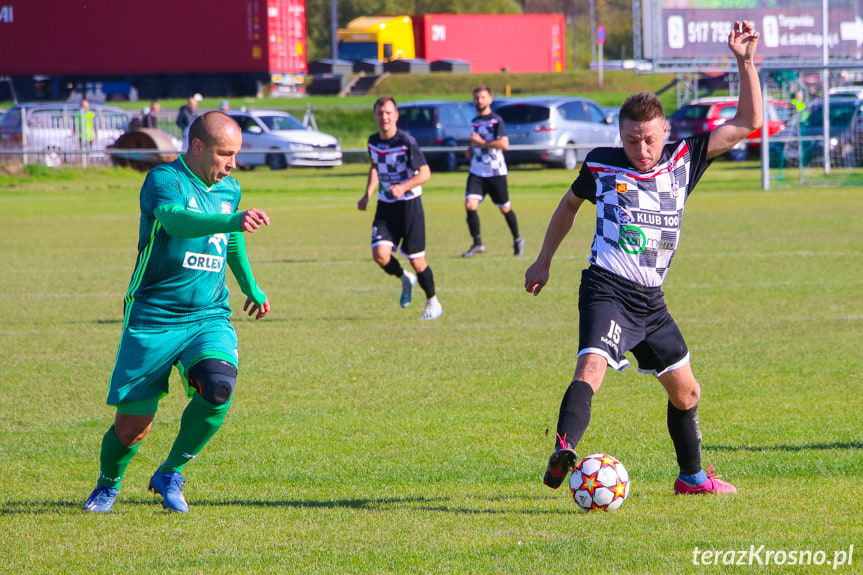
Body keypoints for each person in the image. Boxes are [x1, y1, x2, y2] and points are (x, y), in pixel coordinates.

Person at [524, 21, 762, 496]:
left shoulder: (684, 159)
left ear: (666, 131)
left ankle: (691, 479)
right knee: (591, 368)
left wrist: (744, 60)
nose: (642, 149)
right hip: (607, 288)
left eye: (650, 139)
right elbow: (569, 206)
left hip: (651, 303)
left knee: (687, 392)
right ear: (620, 135)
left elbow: (748, 122)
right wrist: (543, 260)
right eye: (633, 140)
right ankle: (563, 451)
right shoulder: (601, 164)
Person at [84, 111, 272, 513]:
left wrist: (251, 287)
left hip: (209, 315)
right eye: (225, 154)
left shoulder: (230, 189)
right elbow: (175, 222)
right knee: (133, 427)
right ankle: (108, 484)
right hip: (153, 315)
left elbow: (232, 240)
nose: (232, 164)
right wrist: (232, 218)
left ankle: (171, 472)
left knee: (219, 387)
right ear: (198, 147)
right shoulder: (163, 180)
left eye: (235, 155)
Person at [358, 97, 442, 321]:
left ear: (395, 115)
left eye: (388, 113)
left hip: (410, 207)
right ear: (375, 116)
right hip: (385, 206)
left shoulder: (406, 141)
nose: (384, 117)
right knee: (380, 254)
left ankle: (433, 302)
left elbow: (425, 173)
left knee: (417, 260)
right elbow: (375, 167)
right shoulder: (373, 141)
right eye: (379, 113)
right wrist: (367, 194)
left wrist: (403, 187)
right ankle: (405, 278)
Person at [462, 85, 524, 258]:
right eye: (477, 98)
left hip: (495, 172)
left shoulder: (496, 121)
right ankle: (477, 243)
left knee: (505, 208)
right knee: (470, 204)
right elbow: (476, 142)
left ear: (489, 99)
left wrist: (481, 143)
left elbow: (504, 144)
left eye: (483, 97)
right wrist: (470, 150)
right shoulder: (474, 121)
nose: (479, 101)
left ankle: (517, 239)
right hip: (477, 172)